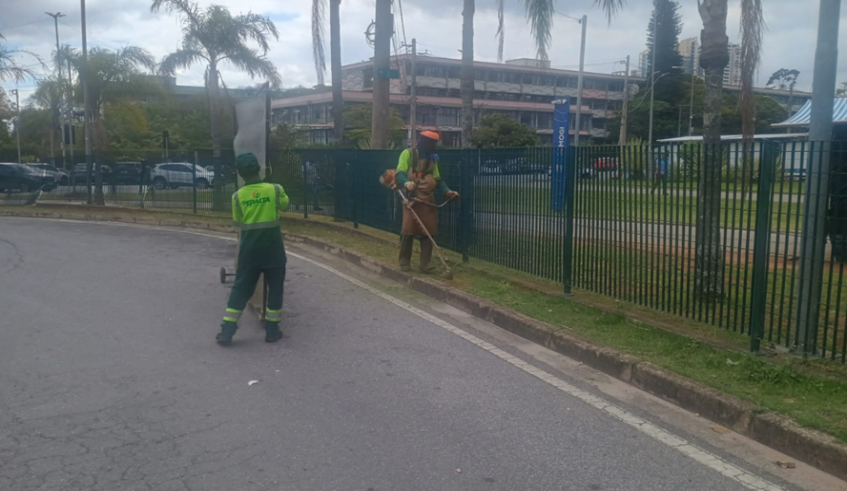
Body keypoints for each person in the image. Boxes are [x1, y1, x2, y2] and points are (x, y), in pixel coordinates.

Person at [217, 152, 290, 345]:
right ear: (259, 169)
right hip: (273, 250)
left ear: (240, 173)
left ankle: (227, 331)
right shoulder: (275, 189)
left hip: (249, 251)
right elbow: (285, 205)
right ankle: (272, 331)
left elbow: (238, 223)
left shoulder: (237, 197)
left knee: (241, 289)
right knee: (275, 289)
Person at [393, 131, 459, 273]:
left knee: (429, 230)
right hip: (410, 197)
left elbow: (438, 179)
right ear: (424, 141)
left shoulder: (434, 158)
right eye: (431, 142)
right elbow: (399, 173)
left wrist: (448, 192)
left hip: (427, 198)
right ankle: (404, 262)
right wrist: (406, 183)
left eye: (434, 143)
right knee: (408, 229)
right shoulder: (408, 154)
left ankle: (425, 264)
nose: (433, 146)